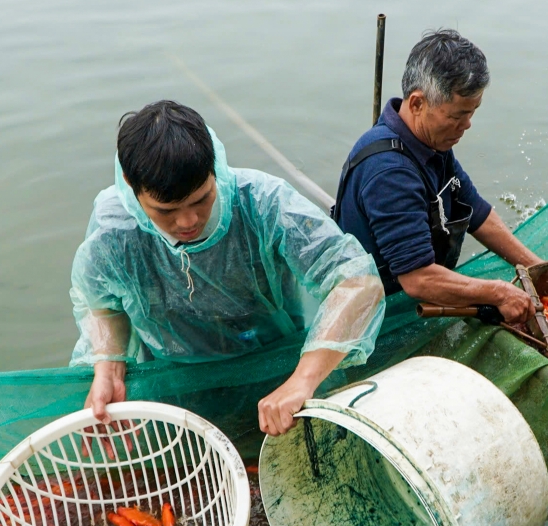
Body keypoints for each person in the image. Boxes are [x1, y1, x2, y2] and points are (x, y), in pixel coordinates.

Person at [70, 101, 385, 436]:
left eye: (201, 199)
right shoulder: (115, 229)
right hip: (175, 383)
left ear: (214, 171)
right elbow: (103, 303)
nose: (188, 221)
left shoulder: (262, 202)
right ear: (131, 186)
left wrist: (302, 381)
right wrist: (109, 367)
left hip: (274, 367)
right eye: (166, 211)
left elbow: (357, 281)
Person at [333, 29, 540, 323]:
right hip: (377, 317)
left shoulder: (431, 141)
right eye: (456, 116)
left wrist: (536, 268)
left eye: (472, 112)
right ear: (417, 103)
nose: (467, 125)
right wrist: (499, 293)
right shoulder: (390, 172)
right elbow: (418, 279)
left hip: (419, 296)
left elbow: (476, 211)